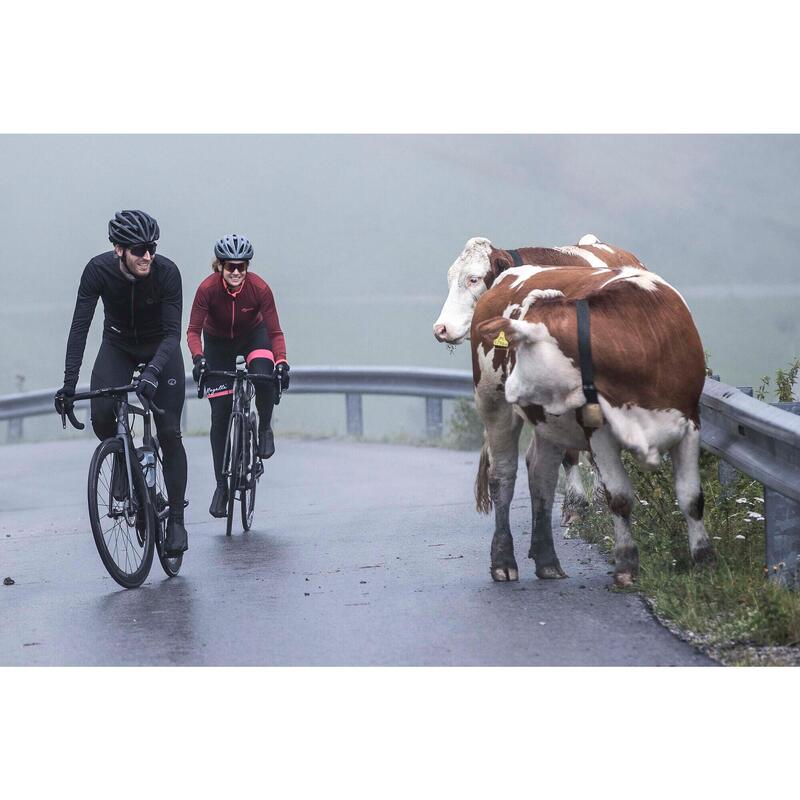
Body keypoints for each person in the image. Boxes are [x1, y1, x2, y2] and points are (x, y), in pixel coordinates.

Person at [55, 210, 189, 556]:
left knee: (170, 432)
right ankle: (133, 473)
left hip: (161, 346)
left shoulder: (167, 273)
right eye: (139, 249)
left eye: (152, 248)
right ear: (119, 249)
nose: (148, 256)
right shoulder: (97, 271)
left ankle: (175, 520)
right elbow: (79, 328)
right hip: (118, 344)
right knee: (102, 417)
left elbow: (174, 334)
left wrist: (153, 372)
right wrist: (69, 386)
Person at [187, 234, 290, 518]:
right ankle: (222, 487)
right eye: (230, 266)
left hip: (253, 337)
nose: (235, 272)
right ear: (219, 266)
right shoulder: (207, 290)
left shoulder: (259, 289)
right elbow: (193, 332)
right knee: (220, 414)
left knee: (263, 376)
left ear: (247, 267)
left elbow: (275, 333)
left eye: (241, 267)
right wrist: (199, 359)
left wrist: (281, 361)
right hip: (218, 343)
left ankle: (265, 427)